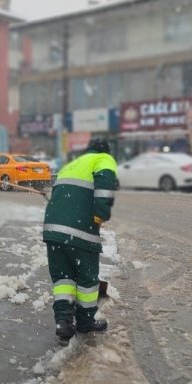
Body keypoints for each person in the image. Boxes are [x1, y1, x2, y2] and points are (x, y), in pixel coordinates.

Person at [42, 136, 118, 345]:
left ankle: (63, 323)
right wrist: (101, 213)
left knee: (63, 279)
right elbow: (105, 183)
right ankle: (85, 323)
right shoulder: (103, 159)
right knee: (86, 280)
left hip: (53, 230)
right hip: (79, 231)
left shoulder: (72, 164)